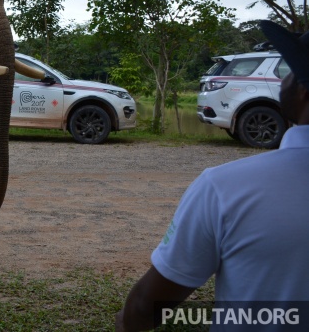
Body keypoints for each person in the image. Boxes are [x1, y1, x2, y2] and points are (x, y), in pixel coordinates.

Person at [115, 20, 309, 331]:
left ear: (302, 92)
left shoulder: (225, 187)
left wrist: (127, 321)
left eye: (287, 72)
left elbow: (146, 307)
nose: (280, 81)